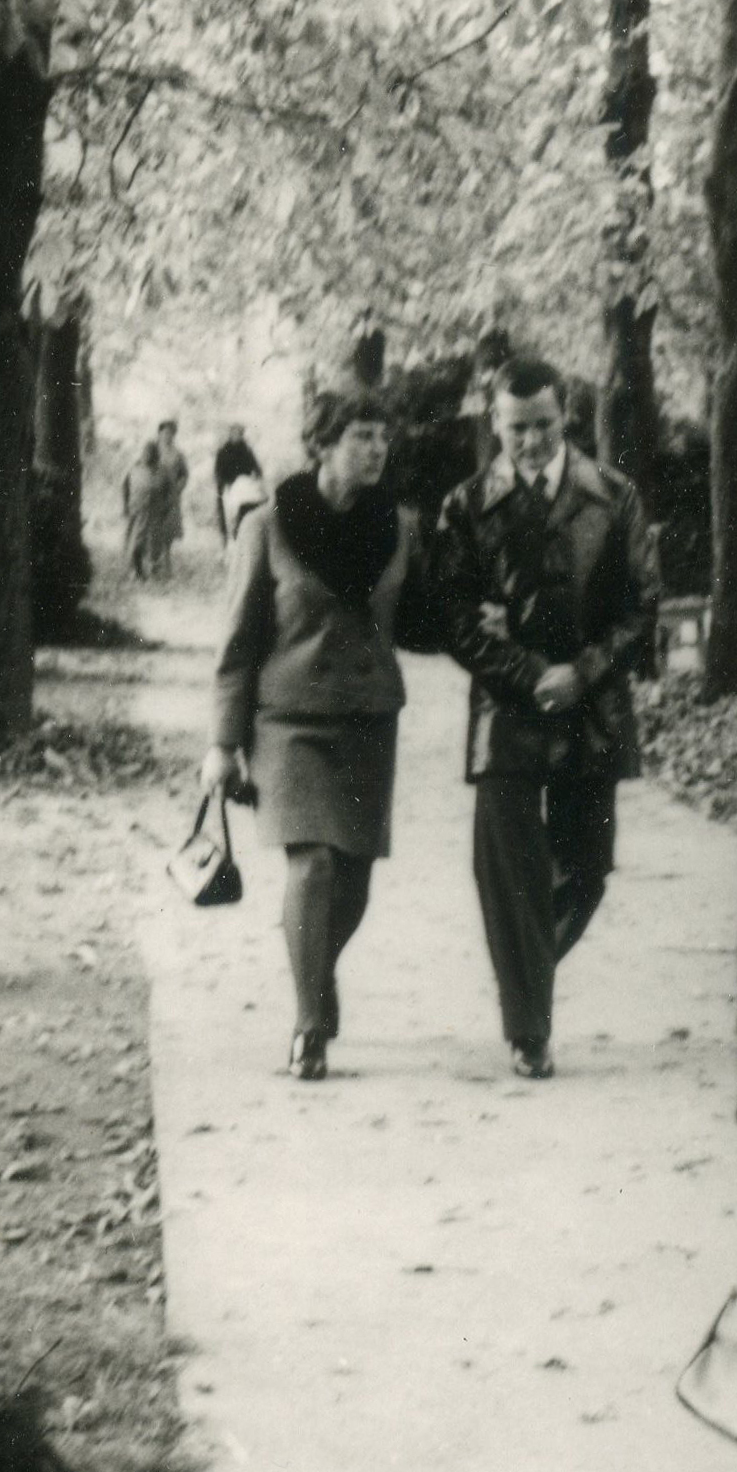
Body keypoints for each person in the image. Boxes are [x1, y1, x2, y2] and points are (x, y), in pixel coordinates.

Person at [432, 358, 659, 1080]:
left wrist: (581, 671)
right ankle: (529, 1030)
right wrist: (532, 674)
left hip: (593, 709)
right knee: (506, 873)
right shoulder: (466, 506)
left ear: (567, 417)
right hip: (505, 711)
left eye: (544, 425)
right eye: (516, 428)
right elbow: (452, 617)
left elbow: (642, 606)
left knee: (586, 873)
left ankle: (521, 971)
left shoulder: (615, 496)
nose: (531, 441)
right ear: (494, 424)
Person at [205, 385, 439, 1080]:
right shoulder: (267, 526)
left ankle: (316, 972)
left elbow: (421, 620)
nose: (376, 449)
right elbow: (237, 643)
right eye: (361, 435)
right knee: (313, 865)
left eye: (382, 437)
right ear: (323, 445)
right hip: (289, 722)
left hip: (368, 718)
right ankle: (309, 1028)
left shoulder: (400, 527)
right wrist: (222, 744)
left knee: (355, 884)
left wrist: (476, 617)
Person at [123, 420, 190, 580]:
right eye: (164, 432)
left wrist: (177, 489)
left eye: (170, 433)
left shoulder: (178, 454)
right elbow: (131, 478)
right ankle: (139, 566)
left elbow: (184, 475)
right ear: (159, 434)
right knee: (140, 535)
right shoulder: (149, 450)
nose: (167, 436)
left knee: (164, 532)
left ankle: (161, 564)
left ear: (174, 435)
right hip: (142, 503)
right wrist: (128, 502)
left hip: (166, 499)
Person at [213, 425, 265, 543]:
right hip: (228, 486)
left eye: (239, 434)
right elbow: (218, 471)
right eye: (234, 433)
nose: (237, 436)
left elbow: (256, 468)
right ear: (230, 434)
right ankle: (228, 539)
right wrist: (225, 483)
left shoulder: (246, 451)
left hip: (245, 488)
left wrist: (255, 477)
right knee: (227, 512)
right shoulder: (223, 452)